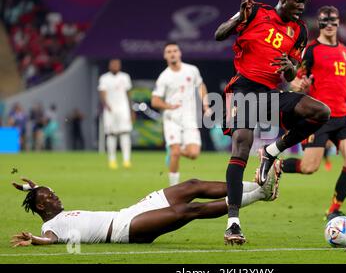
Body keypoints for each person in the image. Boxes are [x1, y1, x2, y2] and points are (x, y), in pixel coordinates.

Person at [214, 0, 330, 244]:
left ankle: (271, 152)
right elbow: (219, 34)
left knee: (321, 112)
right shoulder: (254, 11)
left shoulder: (300, 31)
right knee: (241, 146)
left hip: (270, 93)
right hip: (243, 88)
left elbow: (291, 74)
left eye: (305, 1)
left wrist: (289, 65)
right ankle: (233, 223)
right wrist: (237, 20)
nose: (302, 5)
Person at [10, 170, 280, 246]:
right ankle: (259, 194)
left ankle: (257, 184)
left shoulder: (53, 209)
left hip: (128, 213)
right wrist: (34, 240)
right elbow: (49, 239)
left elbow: (41, 195)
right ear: (42, 205)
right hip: (124, 230)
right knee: (189, 210)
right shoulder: (50, 226)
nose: (55, 195)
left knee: (191, 185)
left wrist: (33, 188)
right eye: (50, 195)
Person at [280, 6, 346, 221]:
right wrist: (300, 86)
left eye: (333, 20)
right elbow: (293, 77)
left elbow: (345, 76)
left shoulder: (344, 50)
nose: (329, 25)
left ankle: (333, 210)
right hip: (318, 116)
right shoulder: (311, 50)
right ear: (319, 24)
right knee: (309, 167)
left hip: (342, 113)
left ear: (339, 22)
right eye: (324, 21)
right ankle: (276, 163)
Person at [151, 42, 210, 186]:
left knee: (194, 154)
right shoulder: (164, 77)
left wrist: (206, 105)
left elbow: (201, 86)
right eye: (169, 51)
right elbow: (155, 100)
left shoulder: (191, 70)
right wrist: (168, 106)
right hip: (172, 119)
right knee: (176, 153)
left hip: (189, 118)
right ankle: (173, 189)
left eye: (175, 51)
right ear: (165, 56)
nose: (172, 53)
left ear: (180, 53)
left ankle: (172, 150)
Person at [98, 59, 134, 169]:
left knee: (125, 133)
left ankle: (126, 160)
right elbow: (102, 92)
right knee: (111, 134)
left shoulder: (125, 77)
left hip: (123, 109)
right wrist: (106, 104)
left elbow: (128, 94)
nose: (115, 66)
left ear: (120, 65)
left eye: (117, 64)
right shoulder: (104, 78)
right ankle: (112, 160)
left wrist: (131, 109)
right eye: (113, 64)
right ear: (109, 66)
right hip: (110, 110)